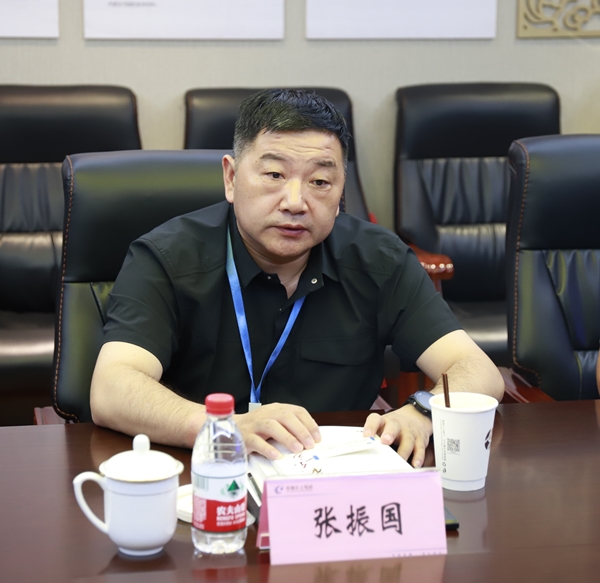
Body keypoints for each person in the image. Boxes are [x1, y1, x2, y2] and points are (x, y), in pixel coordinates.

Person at [90, 89, 504, 468]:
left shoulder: (379, 259)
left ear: (340, 193)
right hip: (203, 477)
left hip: (335, 478)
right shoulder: (167, 257)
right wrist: (224, 428)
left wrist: (424, 411)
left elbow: (477, 369)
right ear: (231, 178)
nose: (295, 202)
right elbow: (111, 388)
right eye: (274, 175)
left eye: (320, 182)